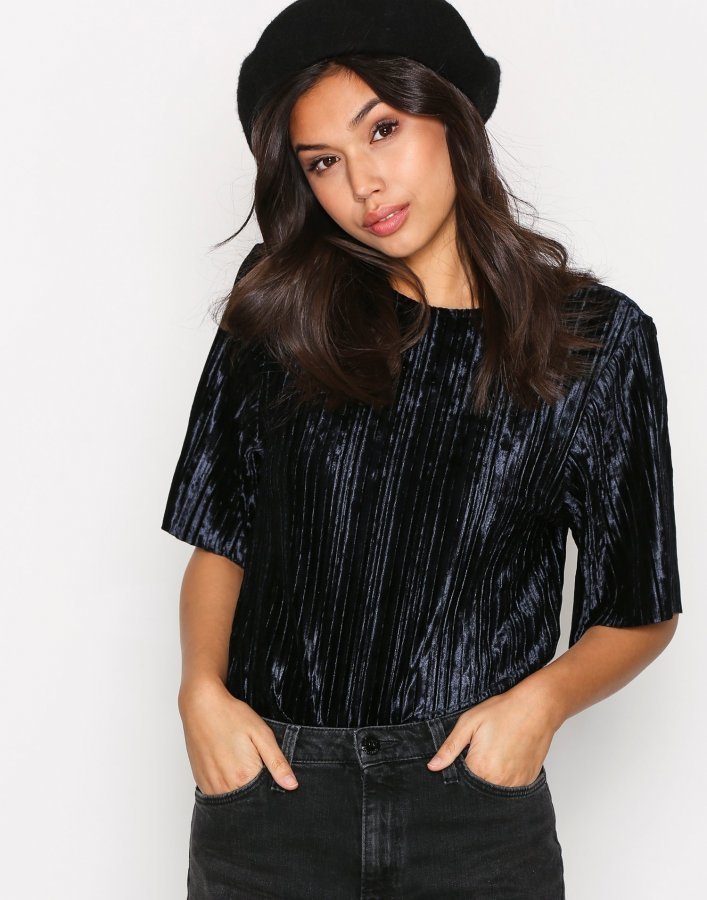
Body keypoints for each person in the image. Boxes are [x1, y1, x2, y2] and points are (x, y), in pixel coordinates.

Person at [161, 1, 683, 897]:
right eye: (322, 161)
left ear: (451, 116)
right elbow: (221, 536)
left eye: (383, 130)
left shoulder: (594, 341)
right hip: (272, 798)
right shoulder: (281, 311)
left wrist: (539, 706)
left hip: (470, 809)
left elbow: (638, 605)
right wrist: (199, 694)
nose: (363, 184)